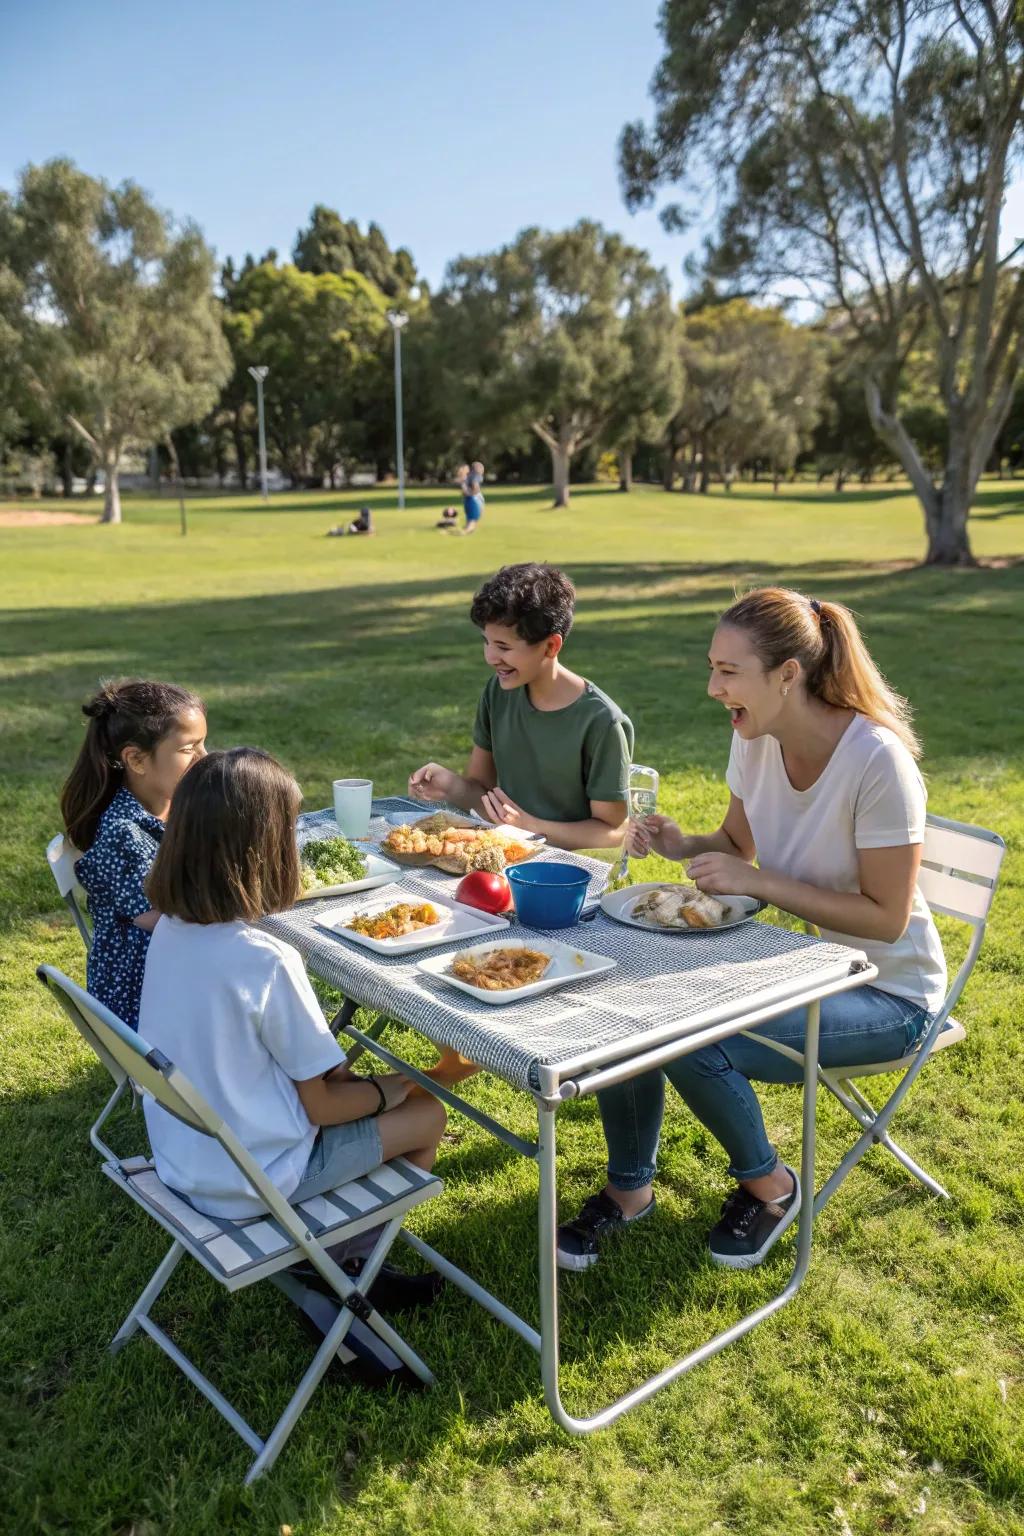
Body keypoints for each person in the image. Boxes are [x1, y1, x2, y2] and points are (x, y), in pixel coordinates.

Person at [556, 587, 948, 1273]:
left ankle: (772, 1188)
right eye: (713, 668)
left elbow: (886, 918)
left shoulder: (878, 763)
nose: (712, 688)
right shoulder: (756, 739)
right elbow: (737, 843)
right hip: (807, 968)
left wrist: (762, 883)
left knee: (693, 1035)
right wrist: (682, 843)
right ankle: (628, 1189)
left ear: (788, 675)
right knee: (628, 998)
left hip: (888, 994)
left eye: (728, 672)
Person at [139, 748, 447, 1315]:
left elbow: (299, 1066)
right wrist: (397, 1086)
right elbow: (323, 1109)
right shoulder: (265, 958)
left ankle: (336, 1259)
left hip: (183, 1157)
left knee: (368, 1092)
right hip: (255, 1179)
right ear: (266, 849)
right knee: (430, 1117)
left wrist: (355, 1079)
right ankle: (348, 1270)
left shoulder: (171, 931)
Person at [408, 563, 634, 851]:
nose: (490, 656)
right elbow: (483, 791)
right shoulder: (498, 693)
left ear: (551, 646)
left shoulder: (602, 722)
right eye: (486, 642)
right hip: (506, 855)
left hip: (569, 872)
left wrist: (529, 827)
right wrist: (451, 785)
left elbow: (612, 831)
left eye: (503, 647)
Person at [60, 679, 207, 1029]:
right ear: (137, 760)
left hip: (182, 970)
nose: (205, 758)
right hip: (144, 1000)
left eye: (203, 745)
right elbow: (166, 923)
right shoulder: (122, 833)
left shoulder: (175, 805)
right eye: (189, 749)